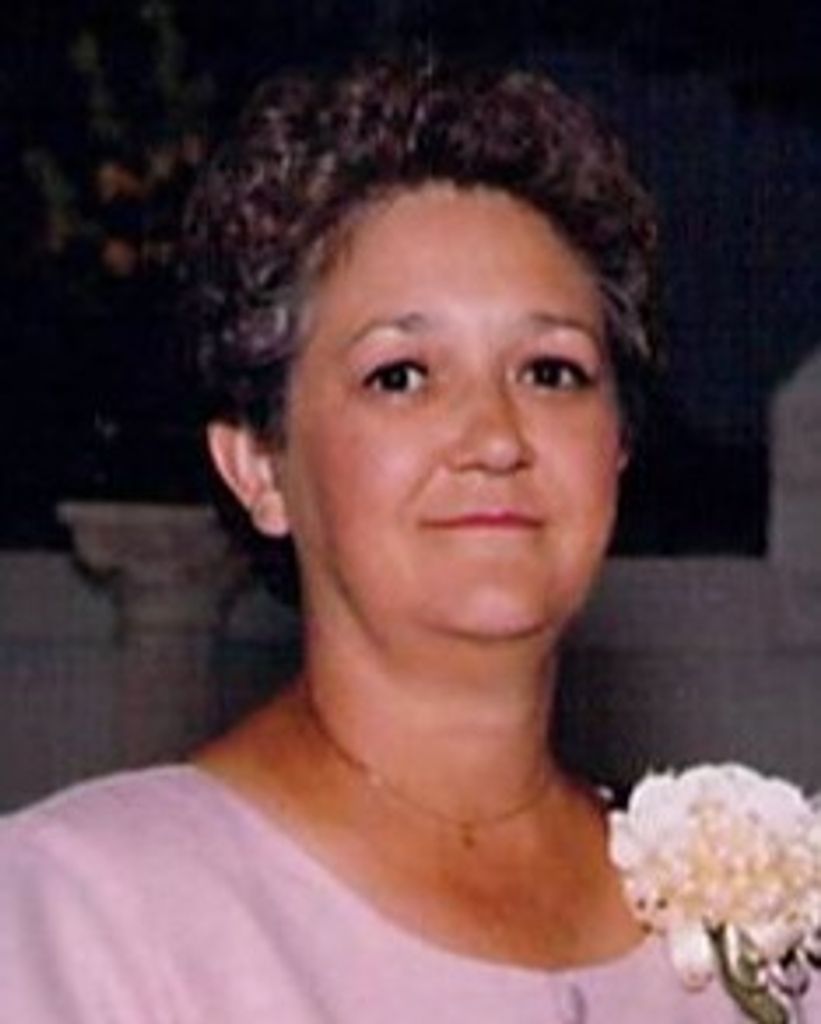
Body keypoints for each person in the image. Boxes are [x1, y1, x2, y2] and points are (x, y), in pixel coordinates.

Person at [0, 54, 807, 1022]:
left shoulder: (761, 929)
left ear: (618, 446)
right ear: (258, 466)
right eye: (401, 376)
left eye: (550, 371)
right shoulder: (84, 914)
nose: (495, 438)